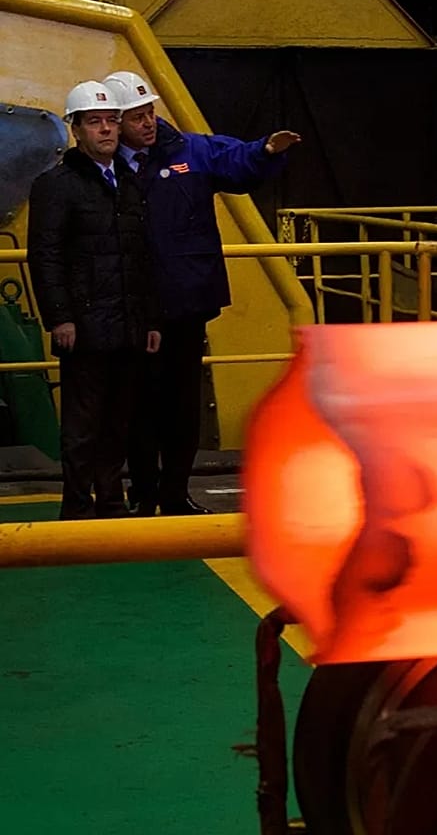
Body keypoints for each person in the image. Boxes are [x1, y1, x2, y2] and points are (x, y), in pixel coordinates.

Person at [102, 70, 301, 516]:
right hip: (131, 307)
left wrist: (267, 150)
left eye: (149, 112)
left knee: (180, 405)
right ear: (116, 122)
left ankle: (174, 495)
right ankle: (143, 494)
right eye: (136, 117)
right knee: (137, 404)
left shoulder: (190, 151)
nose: (148, 123)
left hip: (185, 302)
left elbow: (235, 160)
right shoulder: (105, 166)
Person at [27, 81, 162, 520]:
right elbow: (45, 255)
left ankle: (110, 500)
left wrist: (150, 320)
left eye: (110, 121)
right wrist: (60, 318)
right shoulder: (56, 186)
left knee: (117, 421)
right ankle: (77, 505)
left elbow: (140, 256)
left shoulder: (128, 181)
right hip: (84, 327)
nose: (105, 129)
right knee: (83, 424)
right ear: (76, 129)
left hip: (126, 323)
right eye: (94, 122)